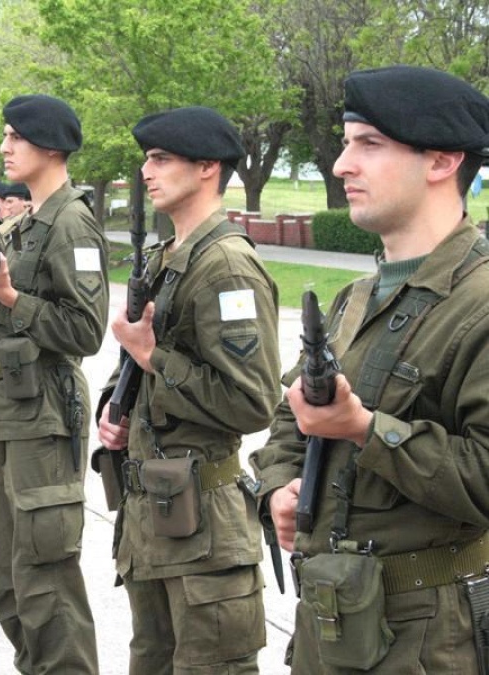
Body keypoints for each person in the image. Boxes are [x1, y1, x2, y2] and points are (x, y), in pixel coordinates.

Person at [250, 65, 489, 674]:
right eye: (346, 142)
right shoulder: (356, 296)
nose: (340, 165)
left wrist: (364, 428)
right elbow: (292, 415)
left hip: (428, 640)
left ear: (441, 161)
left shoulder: (481, 301)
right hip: (332, 623)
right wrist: (278, 487)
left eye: (369, 144)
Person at [97, 106, 282, 675]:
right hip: (158, 517)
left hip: (204, 528)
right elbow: (138, 362)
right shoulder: (169, 255)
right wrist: (115, 407)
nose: (147, 171)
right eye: (147, 159)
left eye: (161, 159)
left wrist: (154, 356)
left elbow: (252, 401)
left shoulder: (226, 267)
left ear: (207, 167)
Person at [0, 94, 107, 674]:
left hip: (47, 420)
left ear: (49, 145)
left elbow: (85, 329)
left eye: (14, 138)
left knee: (46, 581)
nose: (3, 148)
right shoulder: (28, 223)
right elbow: (11, 309)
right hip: (12, 414)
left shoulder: (72, 223)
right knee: (10, 583)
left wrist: (7, 298)